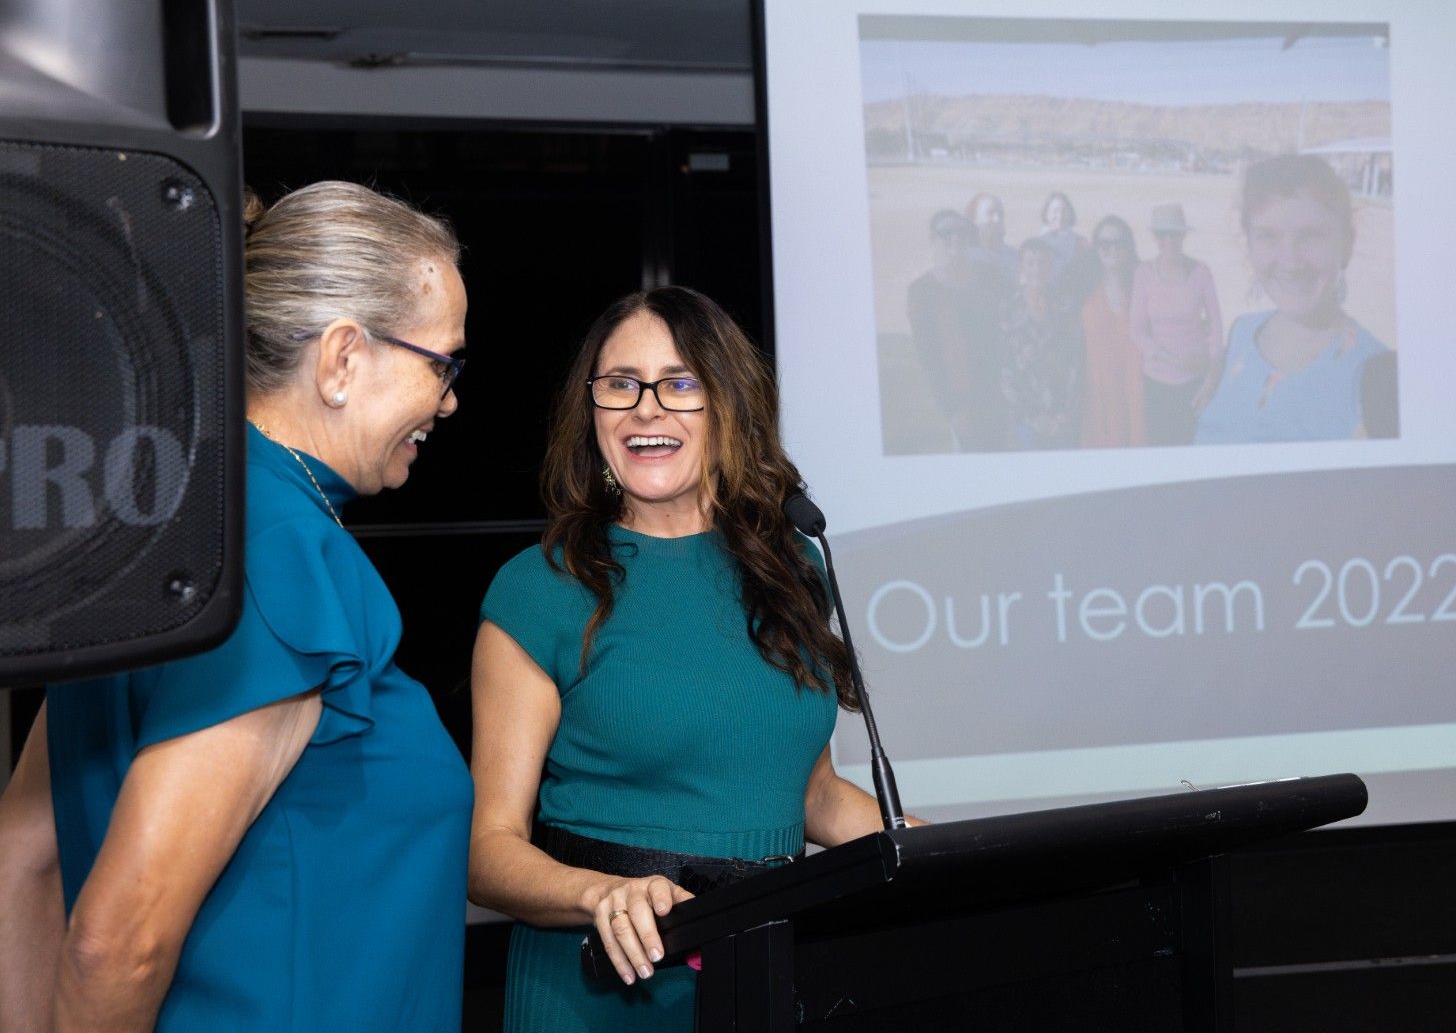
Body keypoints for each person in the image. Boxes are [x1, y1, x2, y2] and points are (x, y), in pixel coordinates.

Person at [0, 181, 473, 1031]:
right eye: (441, 363)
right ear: (342, 358)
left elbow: (21, 861)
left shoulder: (161, 531)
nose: (448, 400)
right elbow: (118, 942)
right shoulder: (279, 550)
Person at [468, 286, 920, 1032]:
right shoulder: (540, 588)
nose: (646, 410)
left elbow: (811, 793)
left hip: (767, 972)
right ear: (592, 411)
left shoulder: (792, 567)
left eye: (679, 384)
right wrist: (599, 894)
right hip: (603, 988)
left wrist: (939, 852)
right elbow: (488, 852)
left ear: (728, 404)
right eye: (621, 384)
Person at [1195, 155, 1390, 444]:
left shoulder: (1376, 379)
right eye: (1268, 236)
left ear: (1347, 244)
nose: (1291, 262)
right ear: (1248, 244)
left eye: (1311, 236)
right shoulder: (1241, 333)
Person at [905, 209, 1006, 451]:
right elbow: (929, 357)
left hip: (1002, 394)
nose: (955, 238)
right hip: (963, 402)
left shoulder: (992, 278)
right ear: (934, 238)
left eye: (961, 231)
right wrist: (952, 410)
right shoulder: (922, 292)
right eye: (946, 232)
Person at [1129, 202, 1224, 445]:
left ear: (1183, 236)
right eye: (1163, 235)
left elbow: (1215, 329)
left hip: (1196, 382)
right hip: (1156, 382)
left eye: (1175, 234)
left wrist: (1211, 381)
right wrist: (1173, 361)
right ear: (1155, 238)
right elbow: (1137, 331)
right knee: (1160, 448)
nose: (1169, 241)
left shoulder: (1201, 272)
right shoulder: (1143, 273)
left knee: (1192, 447)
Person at [1000, 238, 1085, 449]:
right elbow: (1005, 369)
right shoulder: (1008, 310)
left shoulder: (1066, 307)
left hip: (1064, 420)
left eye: (1042, 263)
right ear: (1021, 267)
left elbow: (1077, 362)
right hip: (1027, 421)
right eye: (1031, 263)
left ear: (1051, 267)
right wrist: (1033, 417)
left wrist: (1066, 413)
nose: (1037, 270)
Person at [1080, 215, 1147, 448]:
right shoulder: (1082, 289)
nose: (1112, 249)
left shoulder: (1143, 288)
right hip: (1097, 393)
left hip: (1136, 390)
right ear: (1096, 248)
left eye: (1119, 243)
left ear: (1129, 247)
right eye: (1105, 243)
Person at [964, 191, 1017, 293]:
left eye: (1000, 214)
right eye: (990, 213)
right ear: (974, 219)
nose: (997, 219)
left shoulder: (1014, 256)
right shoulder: (965, 258)